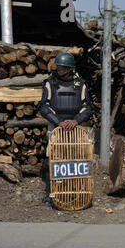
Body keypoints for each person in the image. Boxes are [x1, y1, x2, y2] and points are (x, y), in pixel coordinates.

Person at [38, 52, 93, 206]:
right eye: (58, 67)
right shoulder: (50, 83)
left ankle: (76, 191)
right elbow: (43, 106)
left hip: (75, 126)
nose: (59, 70)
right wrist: (58, 122)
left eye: (62, 68)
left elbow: (88, 107)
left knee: (76, 158)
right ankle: (51, 193)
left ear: (70, 69)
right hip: (55, 125)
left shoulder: (81, 84)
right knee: (52, 158)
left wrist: (76, 121)